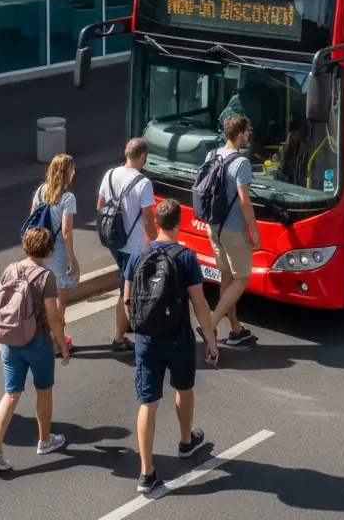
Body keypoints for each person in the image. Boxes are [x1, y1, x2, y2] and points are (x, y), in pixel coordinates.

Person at [123, 198, 219, 495]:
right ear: (179, 224)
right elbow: (201, 305)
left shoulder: (138, 253)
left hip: (146, 340)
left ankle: (146, 472)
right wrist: (211, 339)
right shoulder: (187, 257)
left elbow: (127, 300)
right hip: (177, 338)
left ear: (156, 223)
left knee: (147, 403)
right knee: (183, 388)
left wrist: (139, 330)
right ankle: (186, 441)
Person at [0, 227, 70, 471]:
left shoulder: (10, 269)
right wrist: (62, 343)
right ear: (48, 249)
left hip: (11, 340)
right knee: (43, 391)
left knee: (11, 393)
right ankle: (44, 440)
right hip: (38, 341)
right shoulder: (46, 276)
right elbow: (52, 316)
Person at [97, 138, 157, 352]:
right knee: (127, 289)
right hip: (135, 246)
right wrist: (155, 241)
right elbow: (148, 217)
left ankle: (128, 322)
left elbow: (100, 205)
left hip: (114, 242)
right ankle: (119, 338)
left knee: (127, 281)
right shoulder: (143, 183)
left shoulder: (111, 174)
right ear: (142, 157)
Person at [205, 114, 259, 345]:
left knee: (226, 276)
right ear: (239, 136)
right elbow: (244, 200)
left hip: (213, 226)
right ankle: (210, 323)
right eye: (246, 133)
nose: (248, 136)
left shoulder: (212, 154)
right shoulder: (241, 162)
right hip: (233, 229)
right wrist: (254, 230)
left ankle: (235, 329)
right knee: (242, 278)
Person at [31, 153, 79, 351]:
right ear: (67, 172)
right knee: (61, 298)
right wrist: (71, 259)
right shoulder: (68, 198)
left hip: (42, 250)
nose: (75, 172)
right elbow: (66, 232)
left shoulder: (41, 191)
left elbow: (32, 219)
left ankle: (46, 335)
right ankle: (58, 341)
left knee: (45, 298)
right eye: (73, 169)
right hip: (58, 252)